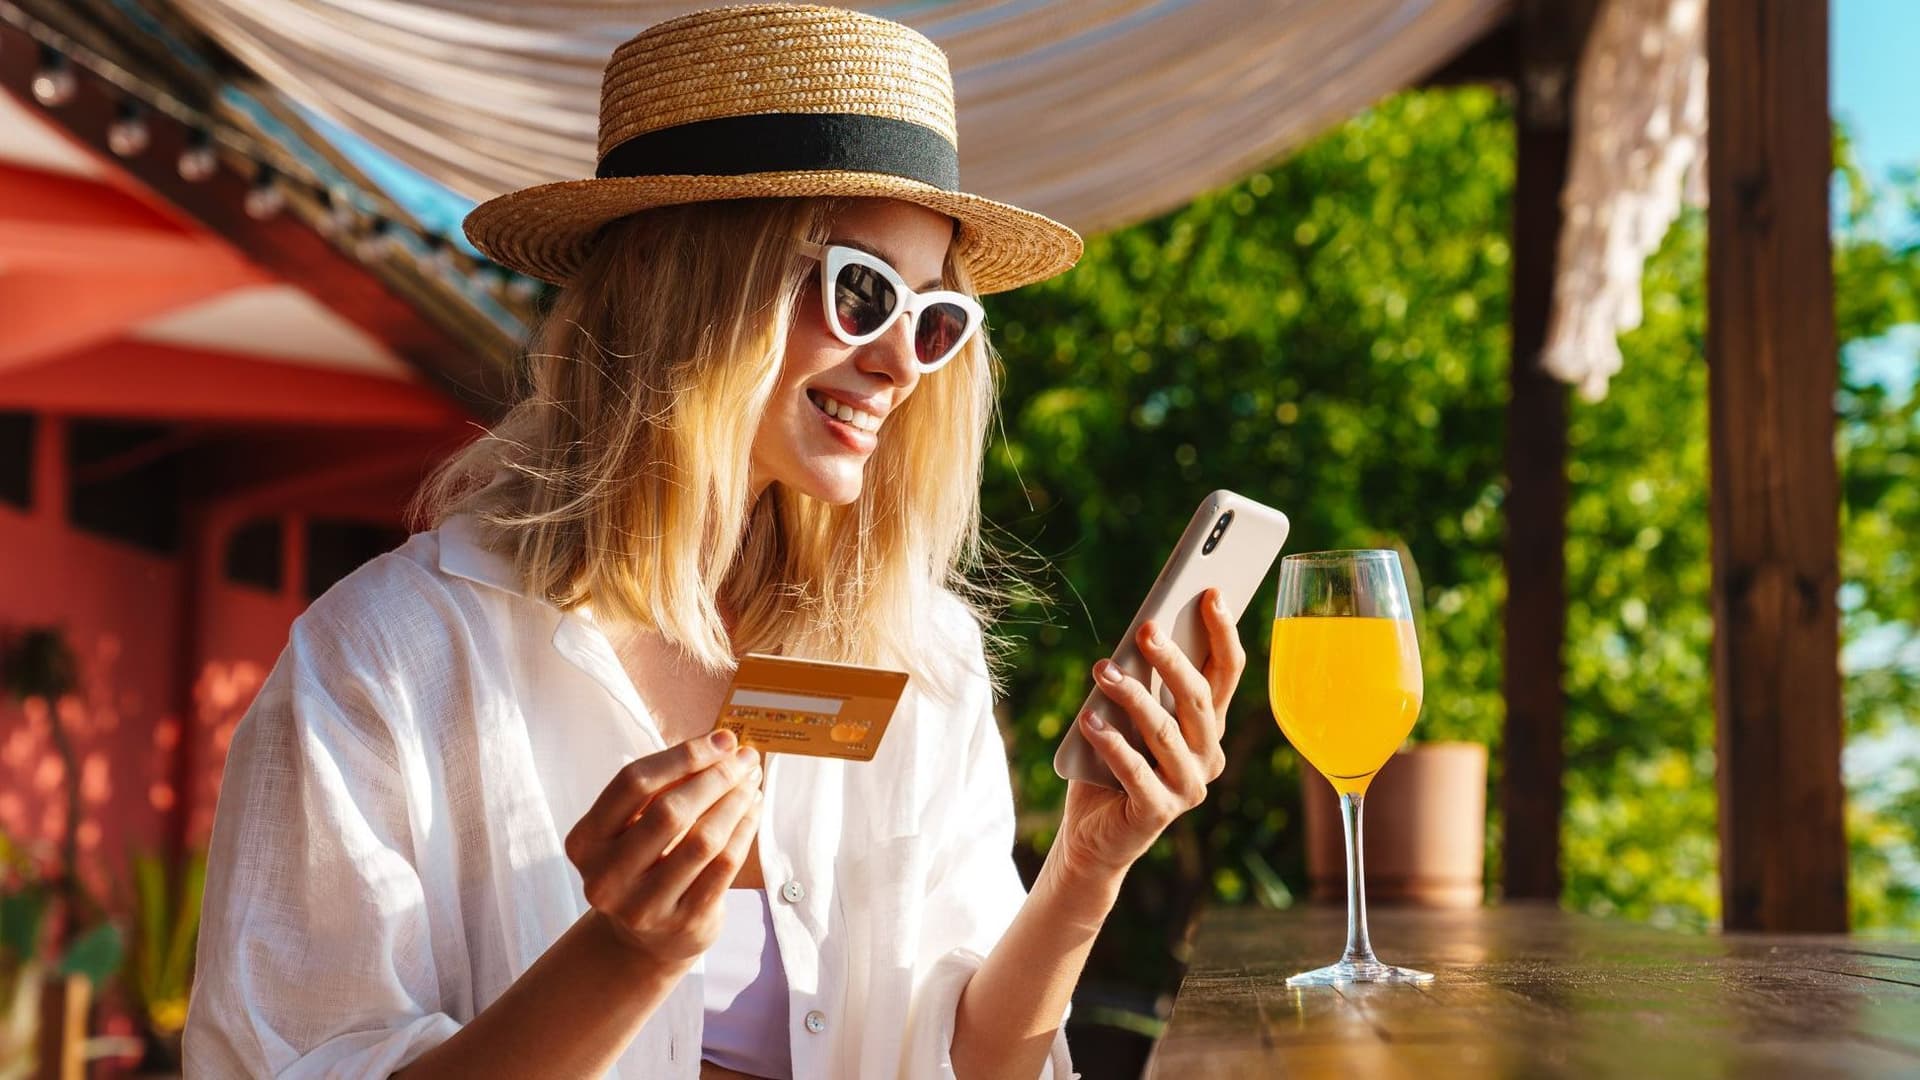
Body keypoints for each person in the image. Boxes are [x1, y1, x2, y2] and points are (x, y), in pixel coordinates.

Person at [184, 5, 1242, 1078]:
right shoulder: (385, 661)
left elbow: (976, 1060)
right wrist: (621, 959)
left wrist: (1087, 867)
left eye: (932, 318)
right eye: (863, 293)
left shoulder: (917, 653)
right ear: (689, 287)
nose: (901, 366)